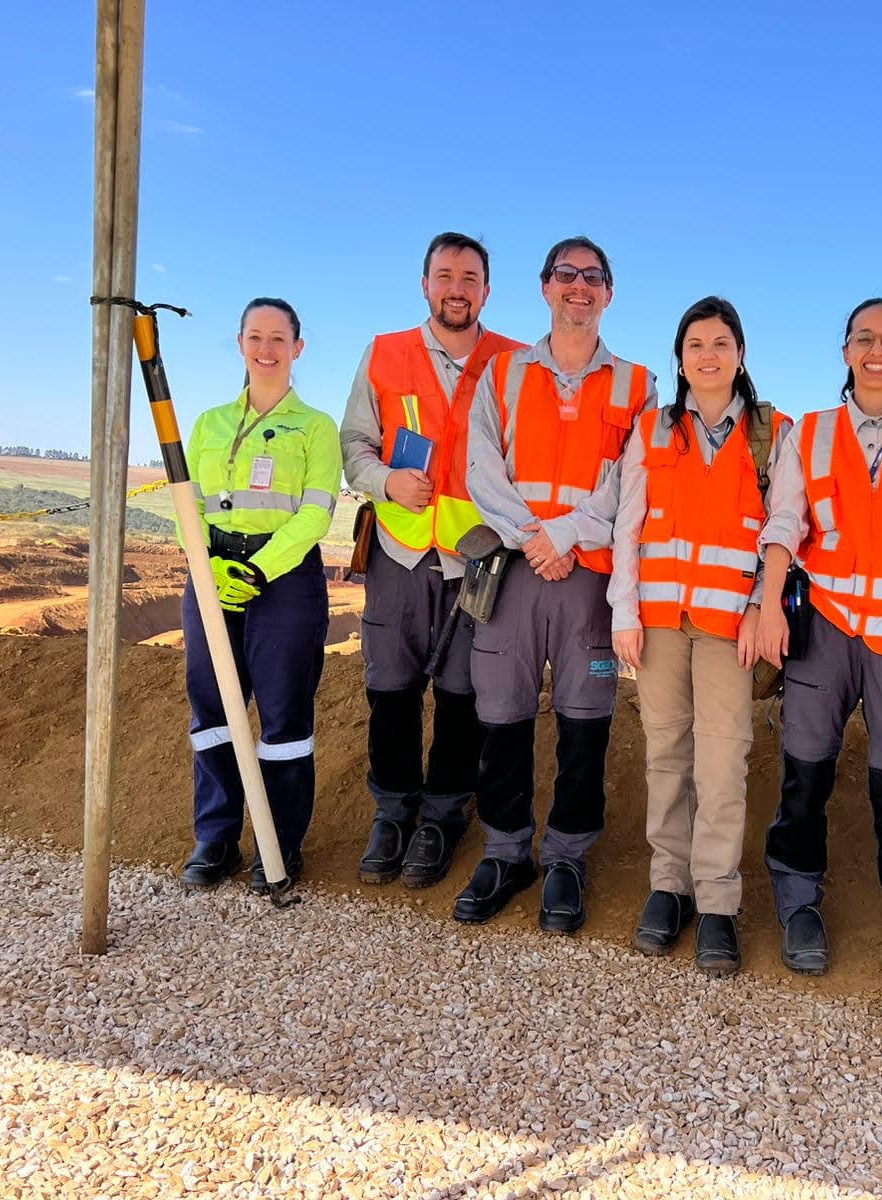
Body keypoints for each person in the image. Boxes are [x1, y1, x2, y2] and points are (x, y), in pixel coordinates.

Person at [755, 298, 882, 1001]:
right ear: (845, 350)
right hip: (826, 626)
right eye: (864, 338)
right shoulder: (809, 434)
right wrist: (770, 606)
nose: (877, 350)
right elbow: (784, 521)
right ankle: (798, 906)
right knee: (805, 774)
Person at [456, 236, 656, 933]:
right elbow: (481, 466)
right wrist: (534, 539)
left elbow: (631, 485)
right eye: (567, 275)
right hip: (515, 570)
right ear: (544, 287)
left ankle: (567, 857)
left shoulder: (638, 385)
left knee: (584, 721)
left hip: (585, 577)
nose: (579, 286)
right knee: (502, 715)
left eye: (593, 277)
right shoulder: (503, 373)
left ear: (609, 293)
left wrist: (563, 537)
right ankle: (507, 852)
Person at [611, 296, 791, 977]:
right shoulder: (651, 431)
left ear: (740, 355)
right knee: (665, 756)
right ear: (680, 358)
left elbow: (782, 529)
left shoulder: (771, 434)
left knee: (722, 765)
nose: (708, 356)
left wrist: (758, 606)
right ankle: (669, 886)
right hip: (657, 622)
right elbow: (627, 525)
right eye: (695, 345)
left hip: (729, 628)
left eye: (721, 343)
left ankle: (717, 901)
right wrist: (623, 611)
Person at [341, 233, 525, 889]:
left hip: (475, 557)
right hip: (398, 547)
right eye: (445, 275)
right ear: (425, 285)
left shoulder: (514, 361)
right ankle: (393, 811)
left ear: (486, 290)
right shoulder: (384, 353)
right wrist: (386, 480)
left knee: (460, 693)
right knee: (389, 687)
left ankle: (444, 816)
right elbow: (355, 445)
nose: (457, 287)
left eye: (470, 277)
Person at [179, 298, 341, 893]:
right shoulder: (209, 423)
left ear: (297, 348)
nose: (266, 348)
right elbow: (186, 502)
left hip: (285, 579)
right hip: (210, 573)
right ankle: (215, 837)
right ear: (240, 343)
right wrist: (205, 564)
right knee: (214, 712)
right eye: (255, 336)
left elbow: (316, 513)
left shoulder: (316, 427)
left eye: (278, 338)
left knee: (283, 718)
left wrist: (258, 571)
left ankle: (277, 845)